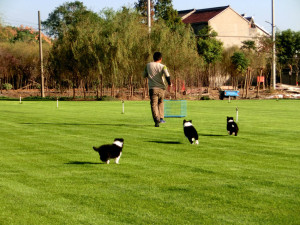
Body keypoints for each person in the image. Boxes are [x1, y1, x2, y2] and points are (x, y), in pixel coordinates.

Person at [143, 52, 171, 127]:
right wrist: (169, 83)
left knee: (154, 104)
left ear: (153, 58)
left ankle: (156, 120)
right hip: (162, 88)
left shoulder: (148, 65)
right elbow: (167, 75)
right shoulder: (163, 66)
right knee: (161, 102)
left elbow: (144, 75)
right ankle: (161, 118)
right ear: (161, 59)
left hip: (153, 88)